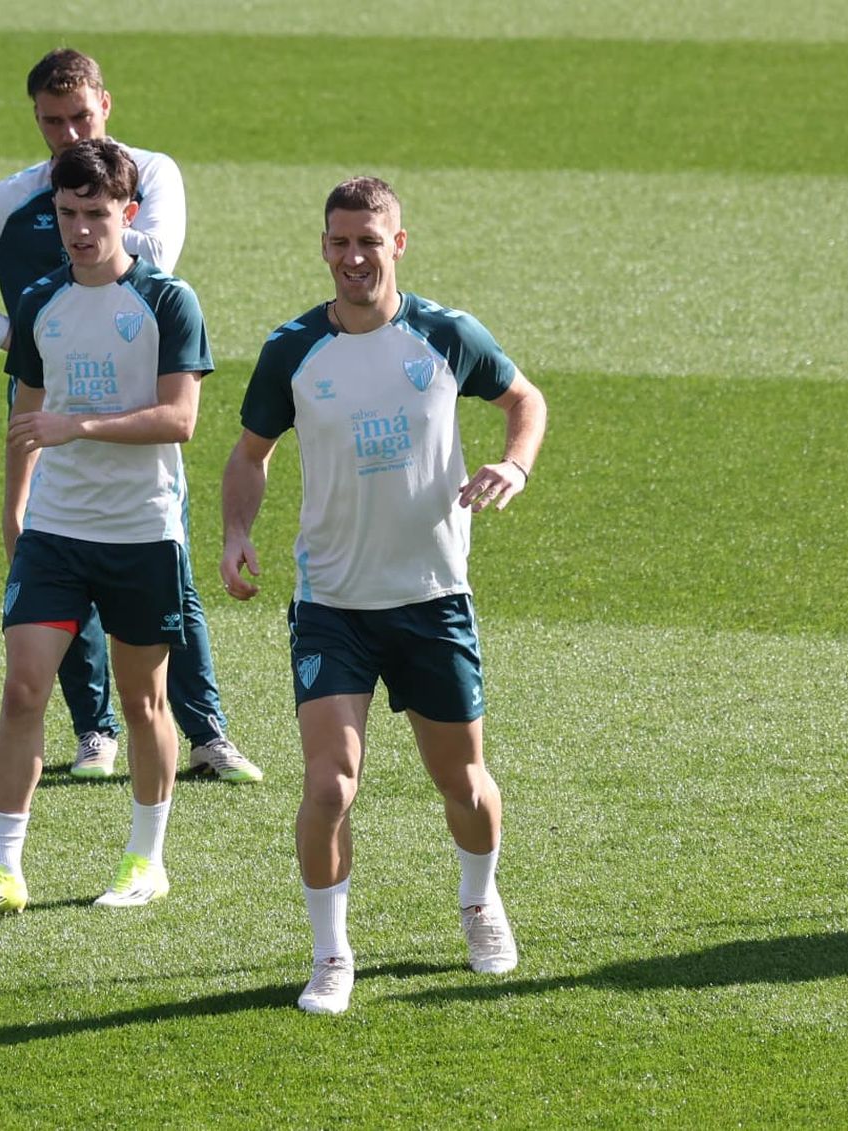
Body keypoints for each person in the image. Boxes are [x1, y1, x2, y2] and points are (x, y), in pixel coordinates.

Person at [219, 177, 548, 1016]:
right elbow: (250, 453)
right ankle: (332, 954)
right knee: (329, 785)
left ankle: (480, 903)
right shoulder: (292, 349)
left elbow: (524, 400)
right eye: (339, 242)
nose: (353, 257)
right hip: (332, 600)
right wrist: (236, 532)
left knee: (463, 780)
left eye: (369, 240)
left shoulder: (443, 333)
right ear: (323, 247)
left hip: (433, 596)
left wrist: (514, 462)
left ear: (398, 243)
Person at [0, 47, 260, 784]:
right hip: (47, 394)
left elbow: (157, 251)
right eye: (52, 121)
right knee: (56, 561)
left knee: (166, 569)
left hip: (137, 396)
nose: (68, 134)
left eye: (81, 117)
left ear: (107, 105)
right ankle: (92, 730)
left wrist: (88, 229)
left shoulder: (150, 174)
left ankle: (206, 731)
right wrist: (10, 330)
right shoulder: (17, 196)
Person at [0, 139, 209, 924]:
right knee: (23, 685)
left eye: (97, 214)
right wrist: (13, 504)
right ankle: (2, 869)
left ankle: (146, 859)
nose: (81, 230)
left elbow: (181, 418)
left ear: (128, 213)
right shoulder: (38, 302)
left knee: (142, 701)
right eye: (67, 214)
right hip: (55, 529)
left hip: (141, 530)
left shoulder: (167, 301)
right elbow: (27, 411)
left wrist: (78, 424)